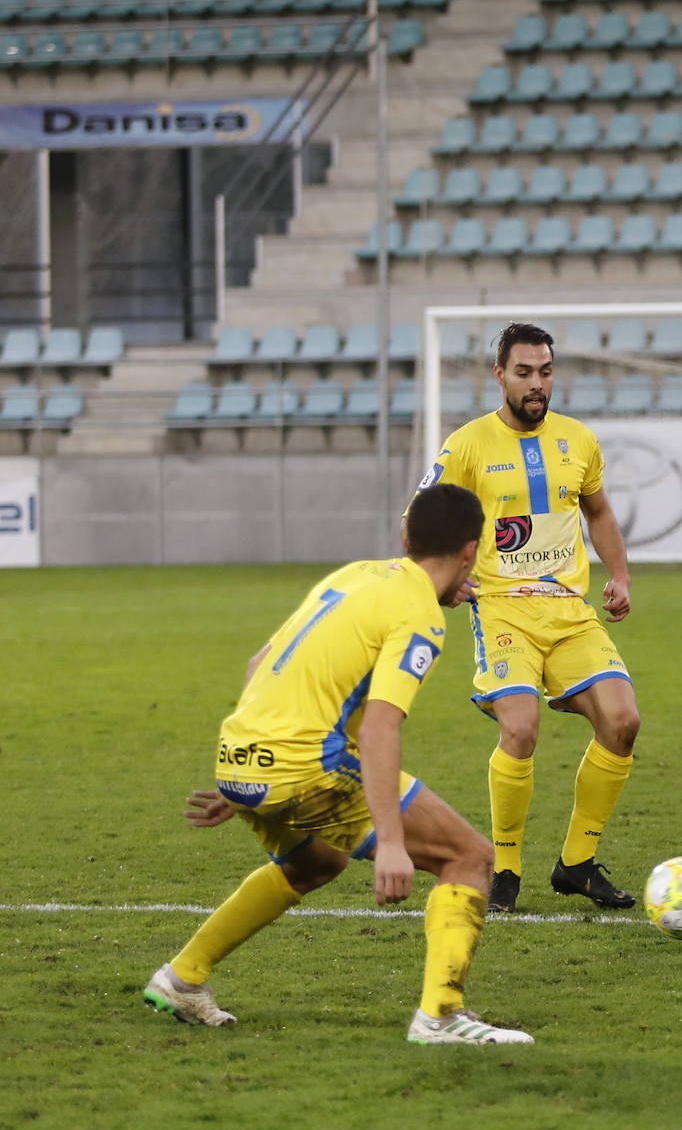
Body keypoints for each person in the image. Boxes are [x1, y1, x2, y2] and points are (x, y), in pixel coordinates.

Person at [143, 483, 534, 1045]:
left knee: (316, 863)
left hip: (239, 757)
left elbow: (260, 664)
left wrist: (248, 774)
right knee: (469, 857)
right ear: (472, 552)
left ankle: (183, 978)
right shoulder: (420, 615)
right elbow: (379, 727)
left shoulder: (353, 575)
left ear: (405, 537)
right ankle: (442, 1016)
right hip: (306, 767)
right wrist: (392, 842)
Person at [414, 321, 640, 915]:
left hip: (569, 611)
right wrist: (440, 581)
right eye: (524, 373)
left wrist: (618, 575)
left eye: (545, 372)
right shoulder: (466, 446)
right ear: (499, 375)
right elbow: (422, 519)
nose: (537, 384)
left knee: (623, 721)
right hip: (502, 610)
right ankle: (505, 869)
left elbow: (599, 512)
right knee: (520, 727)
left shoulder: (578, 440)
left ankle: (576, 864)